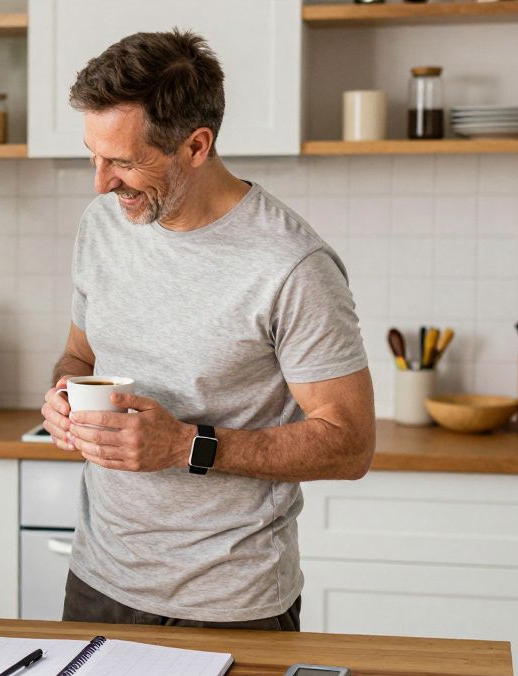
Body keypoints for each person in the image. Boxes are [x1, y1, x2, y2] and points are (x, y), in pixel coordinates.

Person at [40, 30, 375, 630]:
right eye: (94, 154)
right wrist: (63, 394)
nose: (100, 181)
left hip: (230, 601)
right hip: (99, 580)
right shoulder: (103, 226)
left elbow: (350, 443)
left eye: (122, 161)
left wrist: (183, 445)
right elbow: (77, 353)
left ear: (196, 146)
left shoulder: (291, 266)